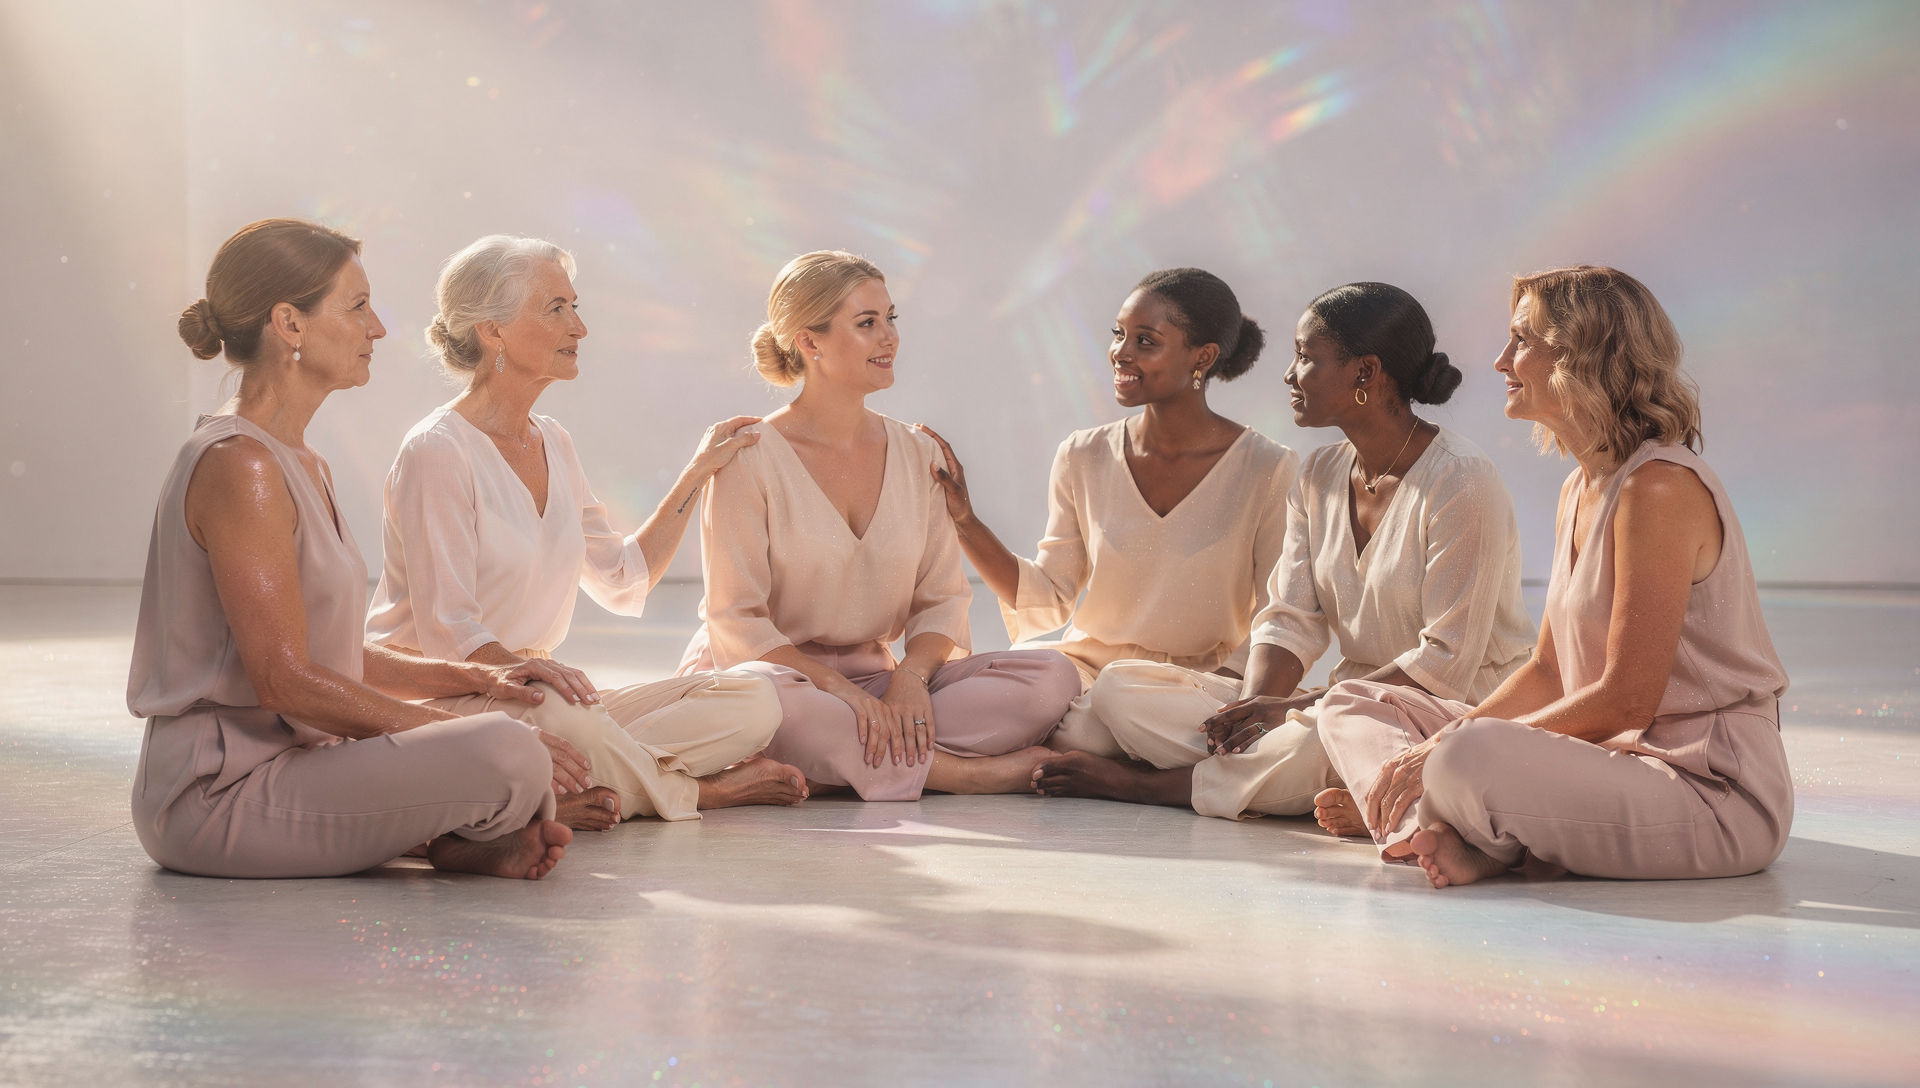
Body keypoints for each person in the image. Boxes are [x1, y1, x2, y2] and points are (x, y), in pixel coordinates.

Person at [1317, 265, 1792, 887]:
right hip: (1610, 761)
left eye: (1521, 341)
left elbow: (1627, 699)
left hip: (1706, 792)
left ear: (1581, 358)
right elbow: (1547, 671)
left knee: (1467, 753)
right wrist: (1445, 739)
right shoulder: (1580, 486)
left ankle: (1435, 818)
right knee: (1354, 701)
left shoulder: (1659, 489)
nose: (1498, 361)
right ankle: (1427, 827)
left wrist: (1442, 751)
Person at [130, 218, 572, 880]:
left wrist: (468, 679)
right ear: (291, 324)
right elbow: (284, 678)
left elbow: (323, 650)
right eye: (358, 306)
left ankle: (447, 839)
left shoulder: (302, 462)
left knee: (507, 729)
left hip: (300, 764)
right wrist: (439, 727)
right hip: (215, 797)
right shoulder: (240, 466)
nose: (379, 329)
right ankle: (451, 832)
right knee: (511, 754)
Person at [365, 236, 799, 832]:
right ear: (493, 331)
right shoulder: (438, 452)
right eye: (557, 309)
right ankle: (697, 793)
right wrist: (537, 686)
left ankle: (591, 779)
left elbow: (622, 578)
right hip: (449, 695)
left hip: (537, 694)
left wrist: (698, 472)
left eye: (575, 305)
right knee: (575, 723)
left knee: (753, 701)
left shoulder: (554, 440)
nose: (580, 327)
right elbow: (449, 632)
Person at [682, 250, 1081, 800]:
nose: (888, 338)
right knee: (768, 705)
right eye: (867, 323)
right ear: (809, 341)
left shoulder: (920, 454)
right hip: (779, 679)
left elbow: (941, 599)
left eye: (890, 319)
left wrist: (908, 681)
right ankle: (957, 773)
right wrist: (842, 695)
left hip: (883, 678)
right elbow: (736, 622)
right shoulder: (748, 459)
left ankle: (836, 765)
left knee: (1051, 678)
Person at [920, 268, 1300, 804]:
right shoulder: (1083, 455)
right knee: (1069, 711)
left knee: (1110, 715)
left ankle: (1097, 764)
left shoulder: (1268, 468)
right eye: (1119, 334)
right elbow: (1049, 595)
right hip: (1082, 683)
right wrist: (965, 519)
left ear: (1203, 357)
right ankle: (1078, 757)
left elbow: (1275, 615)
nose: (1121, 352)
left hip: (1190, 690)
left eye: (1145, 341)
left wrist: (1236, 700)